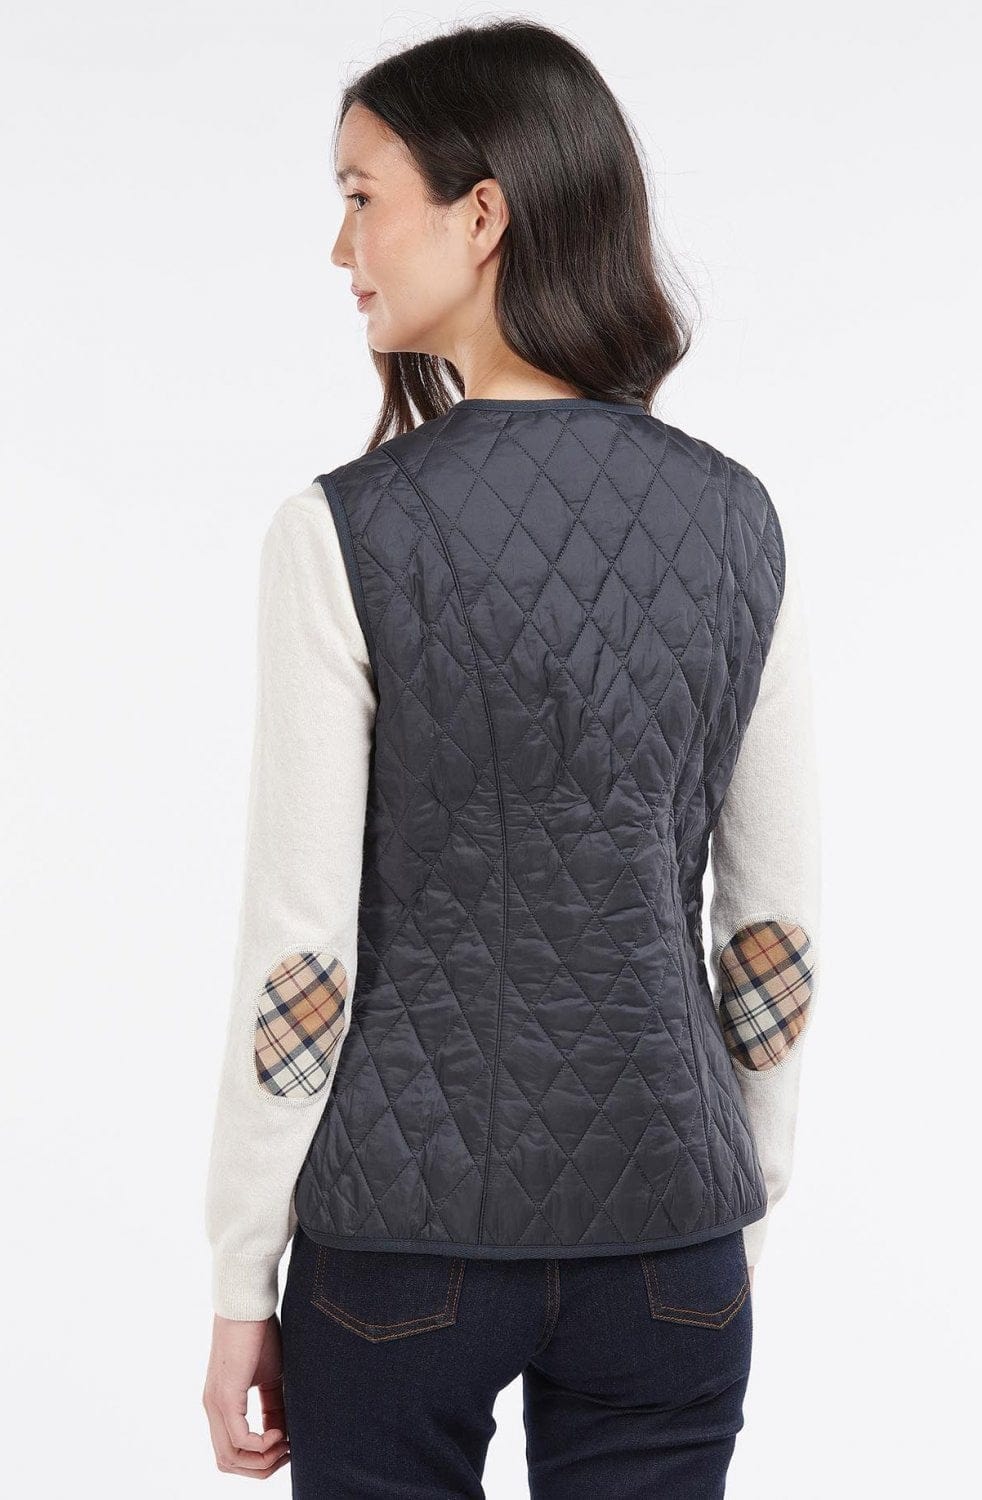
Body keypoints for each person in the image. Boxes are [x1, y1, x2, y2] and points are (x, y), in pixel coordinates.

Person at [202, 19, 820, 1498]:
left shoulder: (341, 533)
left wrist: (240, 1273)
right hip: (671, 1241)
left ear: (481, 215)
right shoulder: (742, 523)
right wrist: (739, 1185)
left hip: (395, 1250)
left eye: (362, 197)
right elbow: (774, 938)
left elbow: (303, 961)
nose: (341, 247)